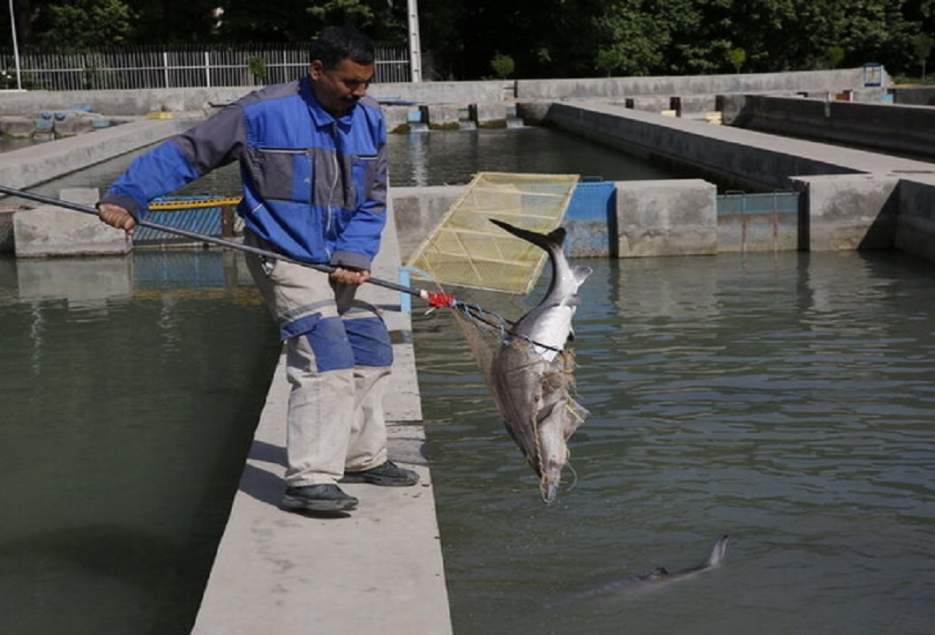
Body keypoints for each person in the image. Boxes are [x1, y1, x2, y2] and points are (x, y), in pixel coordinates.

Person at [97, 26, 418, 514]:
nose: (360, 93)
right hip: (283, 254)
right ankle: (310, 479)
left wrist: (354, 255)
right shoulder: (259, 112)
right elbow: (186, 153)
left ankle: (361, 457)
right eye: (350, 82)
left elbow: (372, 201)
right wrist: (128, 195)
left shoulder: (369, 119)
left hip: (339, 259)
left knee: (371, 348)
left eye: (366, 82)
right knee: (323, 349)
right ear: (316, 70)